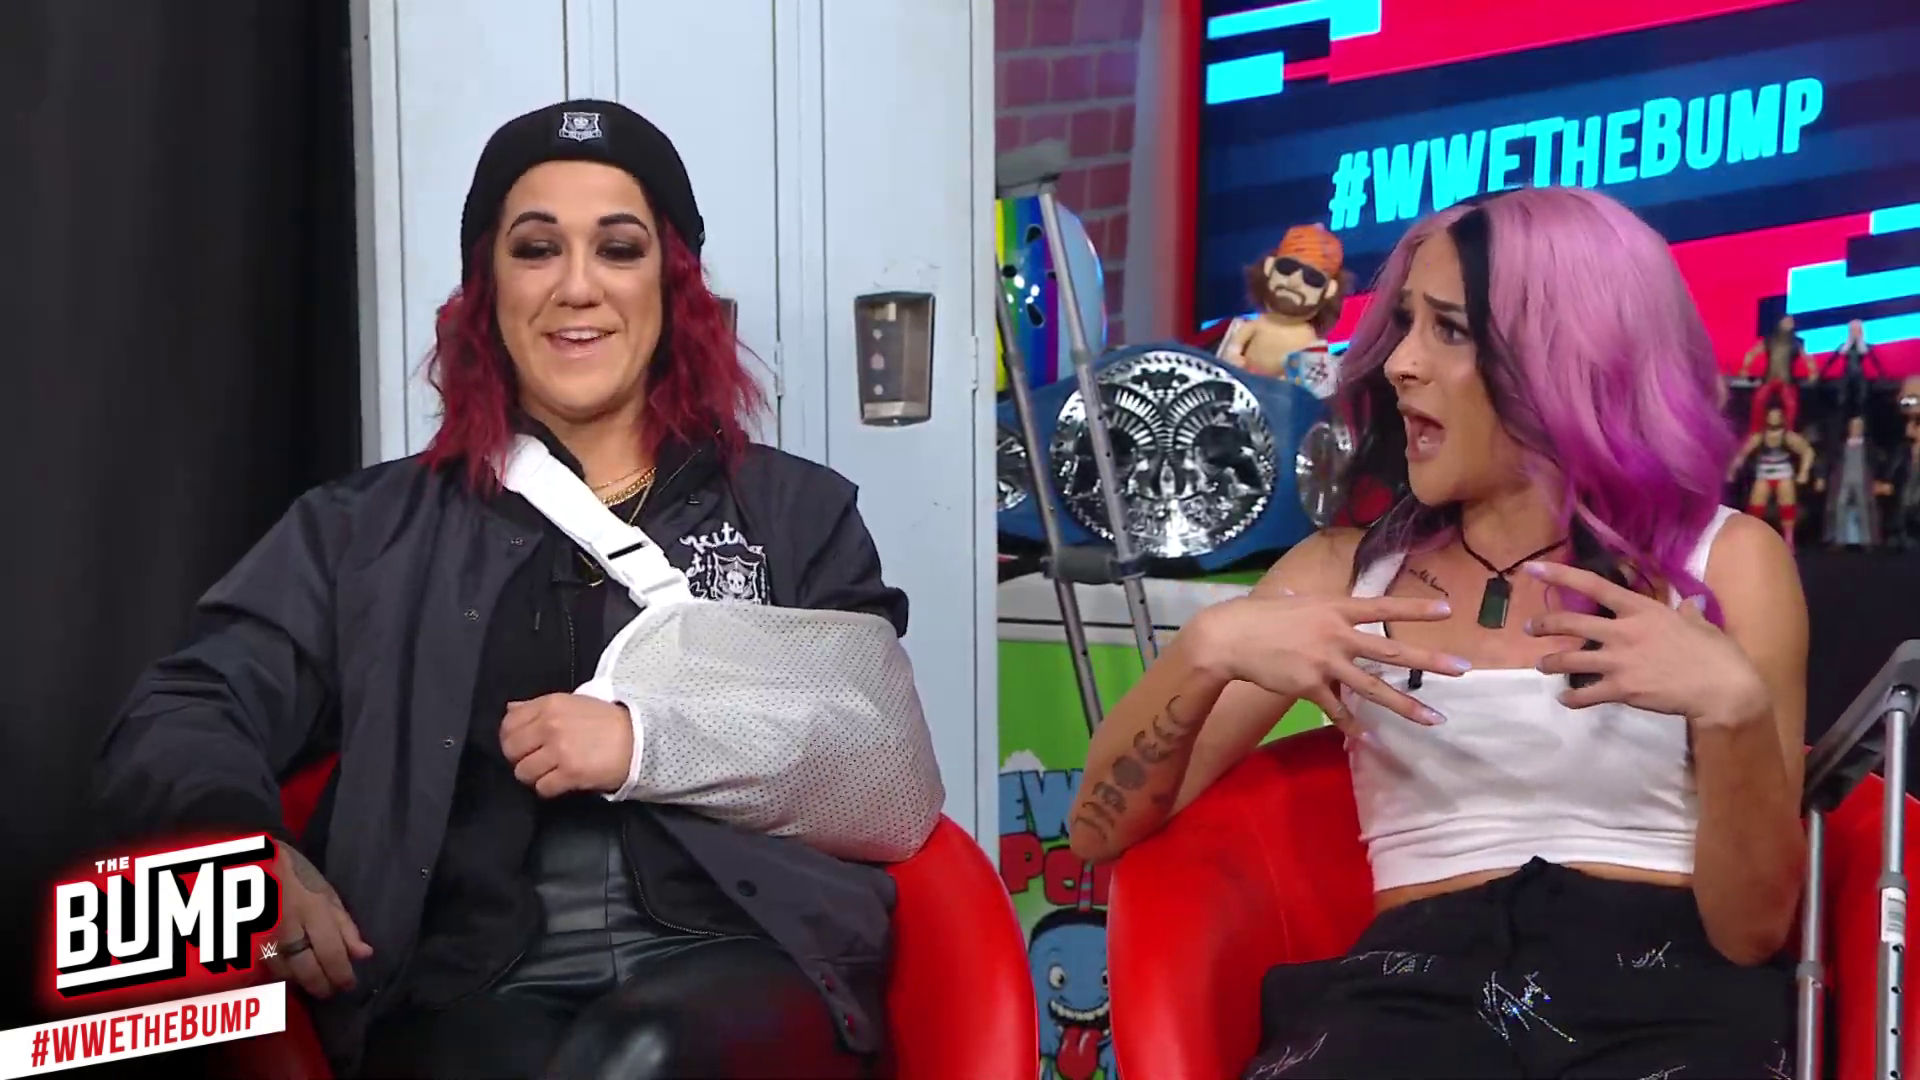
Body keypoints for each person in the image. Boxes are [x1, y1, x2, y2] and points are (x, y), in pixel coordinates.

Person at [94, 99, 945, 1080]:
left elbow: (880, 759)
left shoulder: (798, 512)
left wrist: (646, 742)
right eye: (537, 249)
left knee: (635, 1057)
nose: (577, 286)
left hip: (743, 956)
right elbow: (186, 706)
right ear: (486, 290)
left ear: (673, 287)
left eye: (618, 249)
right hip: (462, 980)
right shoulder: (361, 531)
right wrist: (238, 858)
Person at [1069, 187, 1808, 1079]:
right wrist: (1208, 649)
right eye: (1405, 324)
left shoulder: (1726, 562)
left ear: (1565, 356)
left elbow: (1754, 931)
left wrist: (1733, 712)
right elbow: (1096, 833)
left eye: (1449, 330)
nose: (1399, 363)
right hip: (1411, 1000)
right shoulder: (1343, 571)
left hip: (1664, 998)